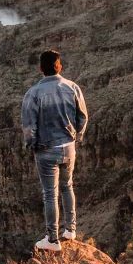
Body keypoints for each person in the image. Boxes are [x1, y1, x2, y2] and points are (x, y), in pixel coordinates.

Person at [21, 49, 88, 252]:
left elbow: (28, 125)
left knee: (50, 194)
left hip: (46, 149)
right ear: (59, 66)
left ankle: (52, 240)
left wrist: (32, 145)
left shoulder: (33, 93)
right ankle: (70, 230)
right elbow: (83, 117)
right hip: (68, 147)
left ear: (41, 68)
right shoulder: (72, 87)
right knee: (68, 186)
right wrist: (77, 137)